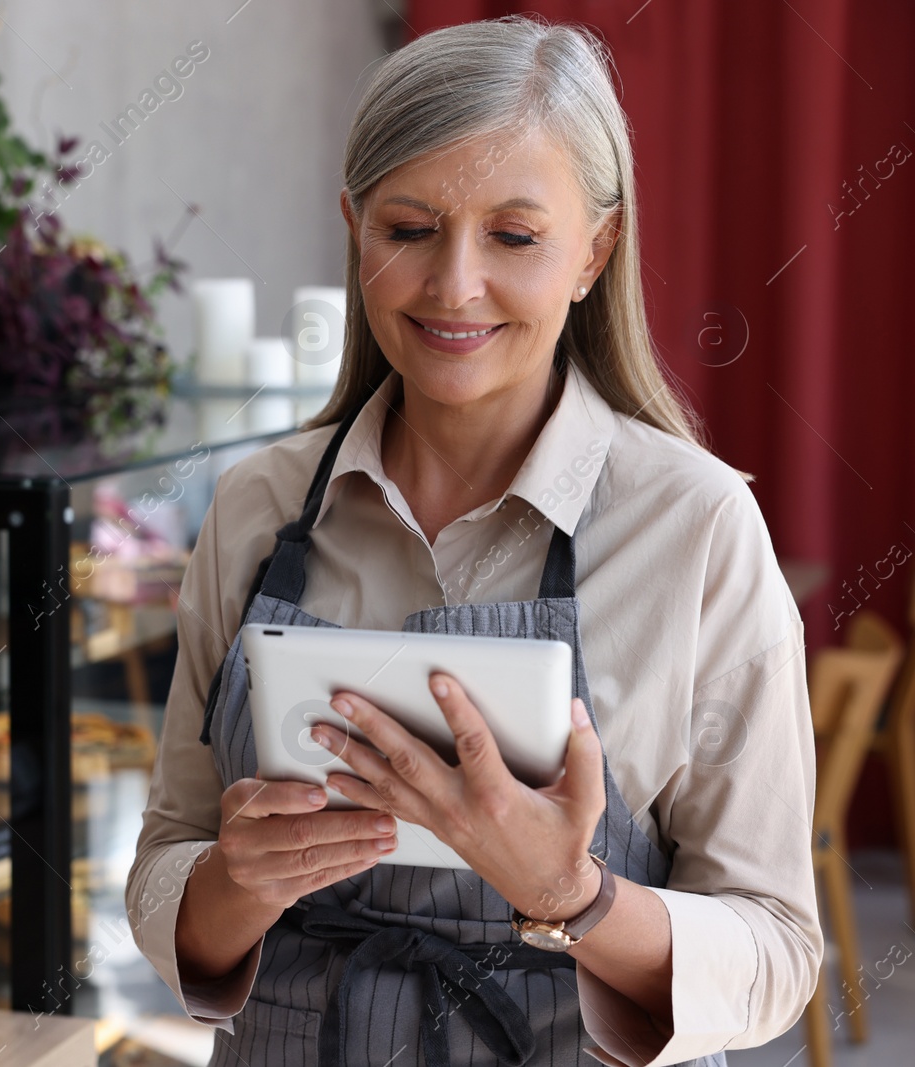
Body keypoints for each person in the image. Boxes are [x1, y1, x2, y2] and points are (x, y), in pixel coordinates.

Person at [127, 15, 822, 1067]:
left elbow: (775, 949)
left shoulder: (698, 526)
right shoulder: (256, 506)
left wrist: (568, 894)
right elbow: (165, 865)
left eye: (513, 236)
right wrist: (233, 881)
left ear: (595, 250)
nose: (453, 285)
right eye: (408, 229)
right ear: (353, 225)